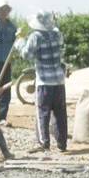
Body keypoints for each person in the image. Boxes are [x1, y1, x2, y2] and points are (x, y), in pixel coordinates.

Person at [14, 10, 67, 152]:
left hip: (44, 81)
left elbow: (26, 54)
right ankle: (62, 144)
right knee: (60, 112)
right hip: (59, 80)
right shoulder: (56, 33)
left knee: (42, 112)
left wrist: (19, 41)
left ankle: (44, 143)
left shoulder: (36, 36)